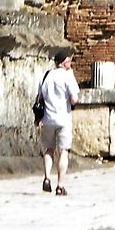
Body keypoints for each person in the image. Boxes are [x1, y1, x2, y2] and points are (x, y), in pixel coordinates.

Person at [35, 51, 81, 195]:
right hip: (63, 119)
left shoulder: (46, 75)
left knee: (49, 149)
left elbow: (39, 97)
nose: (70, 63)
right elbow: (74, 99)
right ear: (64, 62)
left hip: (47, 119)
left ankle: (47, 178)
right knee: (63, 151)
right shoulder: (68, 76)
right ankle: (60, 186)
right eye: (69, 60)